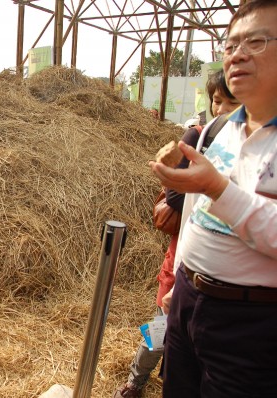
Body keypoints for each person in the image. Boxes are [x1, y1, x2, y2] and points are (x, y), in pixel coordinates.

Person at [149, 0, 277, 396]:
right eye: (230, 45)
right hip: (189, 297)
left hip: (250, 320)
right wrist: (182, 277)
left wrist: (217, 189)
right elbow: (196, 214)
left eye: (256, 41)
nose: (237, 55)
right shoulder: (216, 131)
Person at [113, 69, 241, 398]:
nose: (223, 110)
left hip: (227, 271)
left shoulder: (253, 147)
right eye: (217, 101)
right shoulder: (198, 137)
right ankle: (135, 380)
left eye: (233, 102)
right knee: (162, 323)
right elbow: (173, 196)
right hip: (184, 251)